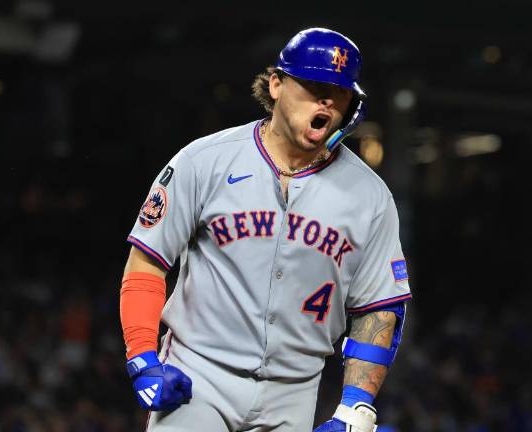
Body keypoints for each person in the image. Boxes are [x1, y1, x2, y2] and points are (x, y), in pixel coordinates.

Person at [119, 27, 412, 431]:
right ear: (275, 84)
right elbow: (147, 262)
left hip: (294, 390)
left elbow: (378, 306)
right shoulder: (205, 161)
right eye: (314, 85)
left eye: (340, 92)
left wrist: (356, 407)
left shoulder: (370, 196)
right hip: (199, 375)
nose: (327, 99)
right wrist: (142, 356)